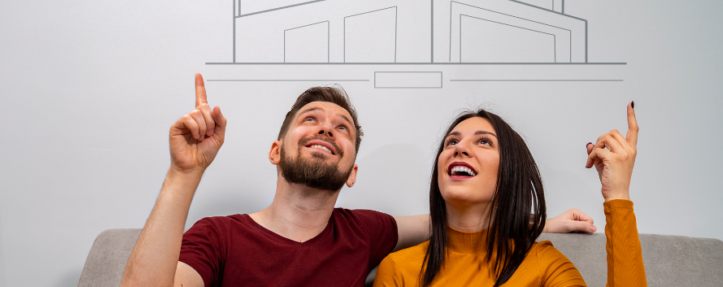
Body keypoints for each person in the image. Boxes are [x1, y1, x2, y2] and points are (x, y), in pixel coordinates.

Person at [120, 75, 597, 287]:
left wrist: (540, 222)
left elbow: (449, 222)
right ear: (275, 150)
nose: (327, 128)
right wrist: (184, 174)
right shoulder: (218, 237)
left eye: (342, 127)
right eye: (310, 119)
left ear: (352, 173)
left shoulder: (363, 234)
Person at [372, 105, 646, 287]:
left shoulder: (542, 265)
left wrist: (618, 196)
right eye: (452, 142)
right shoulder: (398, 269)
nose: (460, 148)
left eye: (484, 141)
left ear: (509, 172)